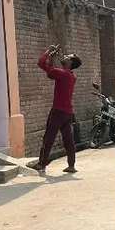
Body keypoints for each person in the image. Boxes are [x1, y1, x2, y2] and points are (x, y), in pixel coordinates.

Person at [33, 45, 81, 174]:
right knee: (68, 140)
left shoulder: (63, 74)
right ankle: (71, 165)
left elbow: (41, 63)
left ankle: (41, 164)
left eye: (68, 57)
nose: (65, 56)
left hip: (58, 111)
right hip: (68, 112)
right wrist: (53, 58)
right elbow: (52, 72)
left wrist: (49, 52)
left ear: (70, 62)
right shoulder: (70, 75)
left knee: (48, 137)